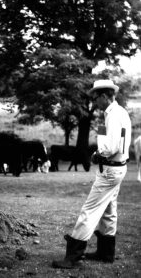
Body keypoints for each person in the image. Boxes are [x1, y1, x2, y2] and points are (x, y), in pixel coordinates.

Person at [52, 79, 132, 269]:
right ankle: (106, 253)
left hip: (110, 168)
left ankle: (74, 256)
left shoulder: (112, 115)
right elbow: (115, 141)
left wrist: (97, 154)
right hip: (119, 167)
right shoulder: (120, 112)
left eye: (96, 98)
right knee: (109, 211)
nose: (95, 103)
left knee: (89, 211)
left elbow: (110, 147)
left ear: (104, 96)